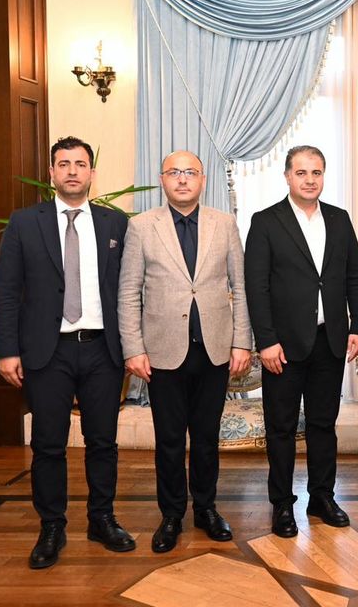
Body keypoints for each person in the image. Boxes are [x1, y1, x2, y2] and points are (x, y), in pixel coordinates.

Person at [0, 135, 135, 569]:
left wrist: (133, 347)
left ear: (92, 173)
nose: (72, 171)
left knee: (103, 442)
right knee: (48, 444)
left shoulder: (115, 224)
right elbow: (7, 292)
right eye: (64, 164)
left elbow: (130, 290)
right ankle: (52, 526)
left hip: (102, 350)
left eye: (80, 164)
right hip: (47, 352)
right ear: (52, 172)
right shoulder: (24, 222)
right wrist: (7, 350)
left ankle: (101, 519)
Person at [118, 150, 253, 553]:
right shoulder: (142, 226)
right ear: (162, 179)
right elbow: (128, 292)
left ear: (203, 180)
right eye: (174, 172)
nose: (182, 179)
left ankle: (207, 510)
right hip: (162, 352)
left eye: (190, 172)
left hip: (214, 351)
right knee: (170, 440)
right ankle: (172, 515)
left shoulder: (224, 224)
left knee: (207, 439)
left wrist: (241, 341)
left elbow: (241, 286)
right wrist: (133, 348)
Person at [244, 145, 358, 538]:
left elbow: (354, 278)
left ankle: (322, 497)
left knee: (323, 424)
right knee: (280, 428)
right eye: (301, 173)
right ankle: (282, 504)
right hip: (282, 346)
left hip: (330, 341)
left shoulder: (339, 219)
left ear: (324, 176)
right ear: (287, 177)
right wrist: (266, 341)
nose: (309, 180)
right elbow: (256, 287)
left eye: (316, 172)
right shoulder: (266, 222)